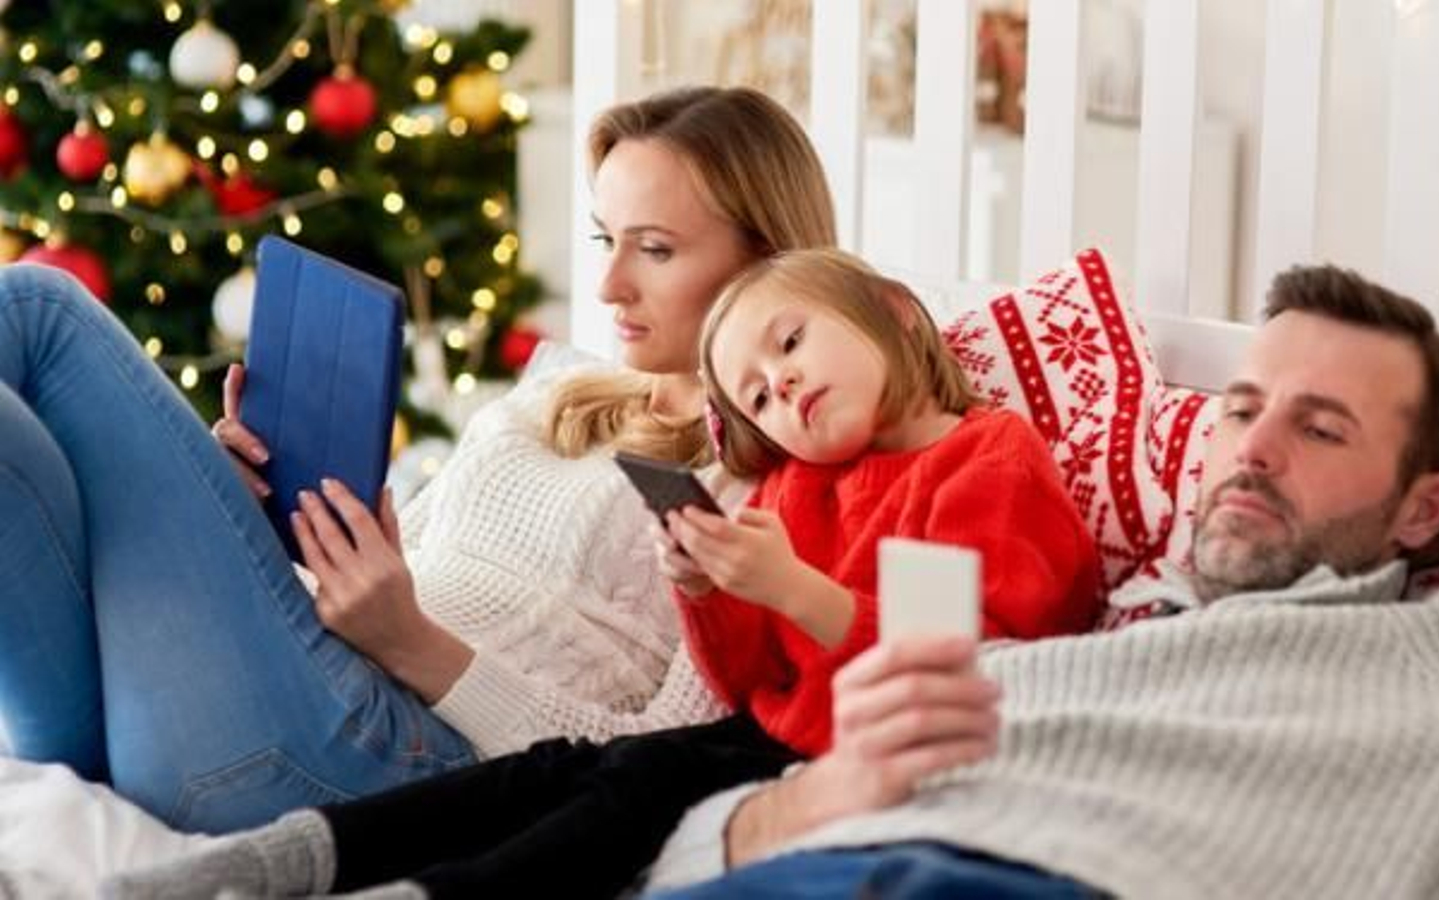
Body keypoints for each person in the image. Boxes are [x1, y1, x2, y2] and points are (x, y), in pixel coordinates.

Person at [101, 248, 1103, 900]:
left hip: (864, 746)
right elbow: (754, 674)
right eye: (758, 394)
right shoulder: (804, 483)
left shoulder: (986, 458)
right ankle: (281, 858)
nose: (783, 385)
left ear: (895, 311)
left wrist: (794, 588)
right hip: (775, 729)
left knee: (626, 791)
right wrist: (707, 589)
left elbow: (974, 648)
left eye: (791, 344)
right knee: (551, 772)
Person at [0, 85, 836, 835]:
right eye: (604, 238)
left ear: (767, 262)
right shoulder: (563, 389)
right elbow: (401, 563)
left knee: (38, 308)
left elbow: (661, 761)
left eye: (654, 250)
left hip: (398, 757)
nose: (609, 285)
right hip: (299, 682)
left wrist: (410, 644)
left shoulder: (771, 489)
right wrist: (241, 510)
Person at [635, 265, 1439, 900]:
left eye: (1320, 428)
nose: (1251, 451)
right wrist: (811, 801)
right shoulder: (1096, 632)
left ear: (1430, 506)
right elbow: (688, 859)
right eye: (1241, 410)